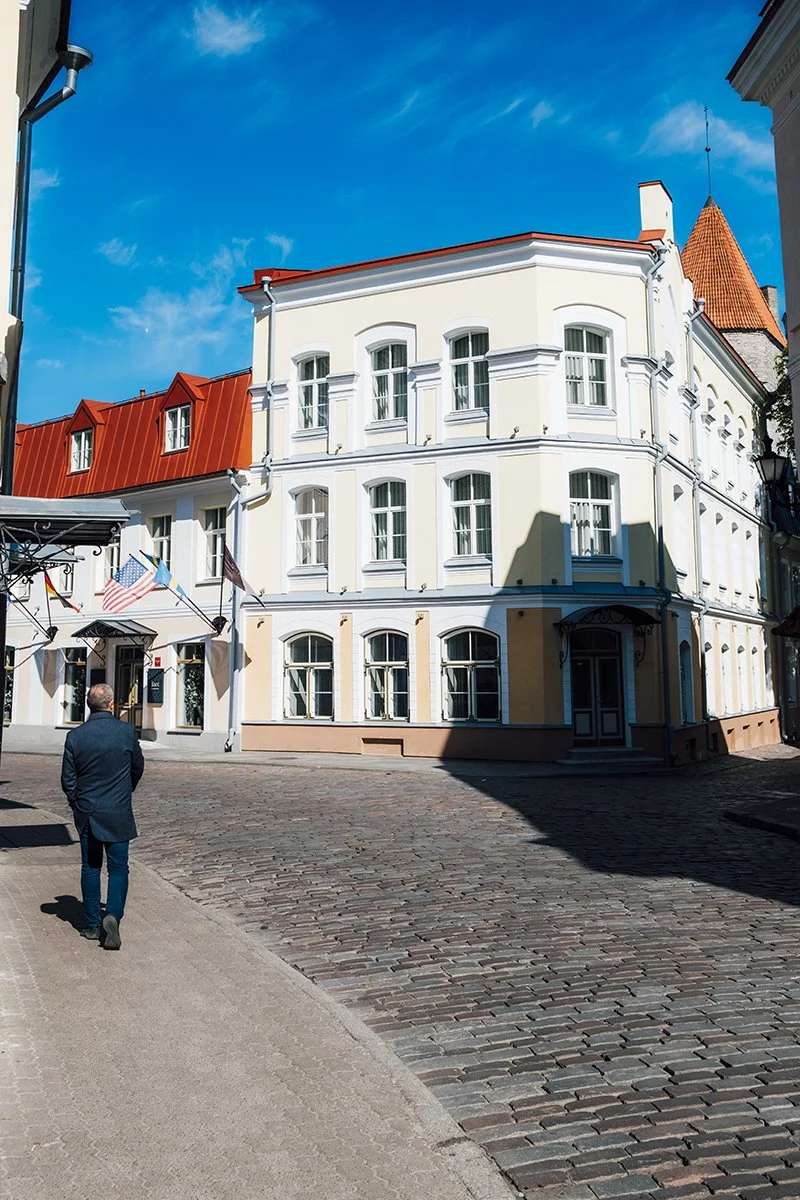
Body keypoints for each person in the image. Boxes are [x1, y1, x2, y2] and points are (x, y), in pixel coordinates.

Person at [60, 682, 144, 950]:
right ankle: (113, 917)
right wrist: (124, 790)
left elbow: (67, 779)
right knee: (119, 868)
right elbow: (137, 767)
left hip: (88, 813)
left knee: (91, 867)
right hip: (118, 811)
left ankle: (93, 925)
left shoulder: (75, 736)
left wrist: (77, 801)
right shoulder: (126, 732)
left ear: (88, 705)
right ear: (111, 705)